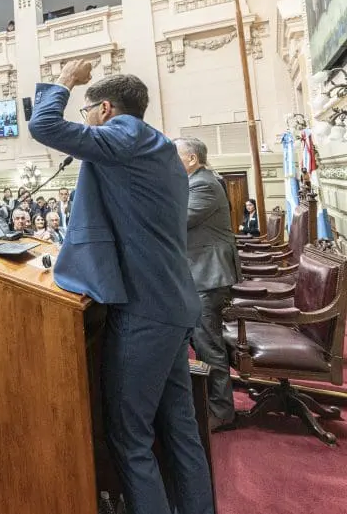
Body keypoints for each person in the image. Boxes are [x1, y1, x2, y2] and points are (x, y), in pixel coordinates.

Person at [27, 59, 213, 514]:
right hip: (172, 303)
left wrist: (67, 79)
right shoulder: (160, 147)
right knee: (180, 431)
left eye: (88, 110)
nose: (86, 119)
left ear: (105, 109)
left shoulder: (123, 136)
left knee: (130, 439)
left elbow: (44, 125)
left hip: (146, 310)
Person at [176, 137, 240, 431]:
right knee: (200, 341)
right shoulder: (197, 181)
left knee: (208, 344)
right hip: (199, 274)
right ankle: (208, 401)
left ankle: (222, 412)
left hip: (207, 276)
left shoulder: (202, 184)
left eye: (173, 155)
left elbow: (176, 221)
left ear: (191, 159)